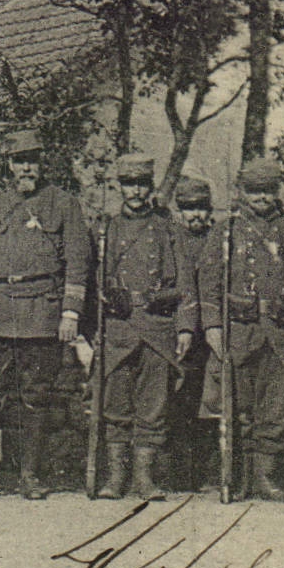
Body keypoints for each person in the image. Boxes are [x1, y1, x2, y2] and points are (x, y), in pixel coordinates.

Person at [0, 129, 90, 500]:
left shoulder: (63, 204)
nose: (26, 167)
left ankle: (30, 474)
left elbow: (78, 260)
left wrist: (70, 312)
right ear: (10, 165)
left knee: (36, 395)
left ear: (42, 162)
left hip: (42, 310)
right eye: (19, 160)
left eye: (32, 159)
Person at [199, 157, 284, 502]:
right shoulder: (226, 231)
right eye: (254, 191)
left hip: (278, 334)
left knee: (274, 408)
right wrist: (212, 327)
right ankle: (236, 477)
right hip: (240, 332)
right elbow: (208, 284)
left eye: (267, 191)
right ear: (242, 192)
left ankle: (265, 478)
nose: (261, 197)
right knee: (239, 408)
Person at [92, 154, 196, 500]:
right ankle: (116, 478)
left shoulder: (169, 229)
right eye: (128, 184)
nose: (135, 191)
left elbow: (186, 284)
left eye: (141, 184)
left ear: (149, 187)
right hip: (119, 327)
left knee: (153, 406)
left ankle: (144, 479)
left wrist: (185, 328)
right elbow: (93, 280)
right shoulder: (107, 229)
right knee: (115, 405)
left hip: (157, 327)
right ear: (119, 187)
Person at [170, 176, 215, 491]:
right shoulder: (170, 240)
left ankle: (203, 470)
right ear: (179, 211)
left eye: (201, 208)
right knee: (177, 400)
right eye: (189, 209)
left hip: (210, 337)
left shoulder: (217, 241)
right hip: (178, 333)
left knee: (207, 401)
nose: (195, 215)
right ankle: (177, 471)